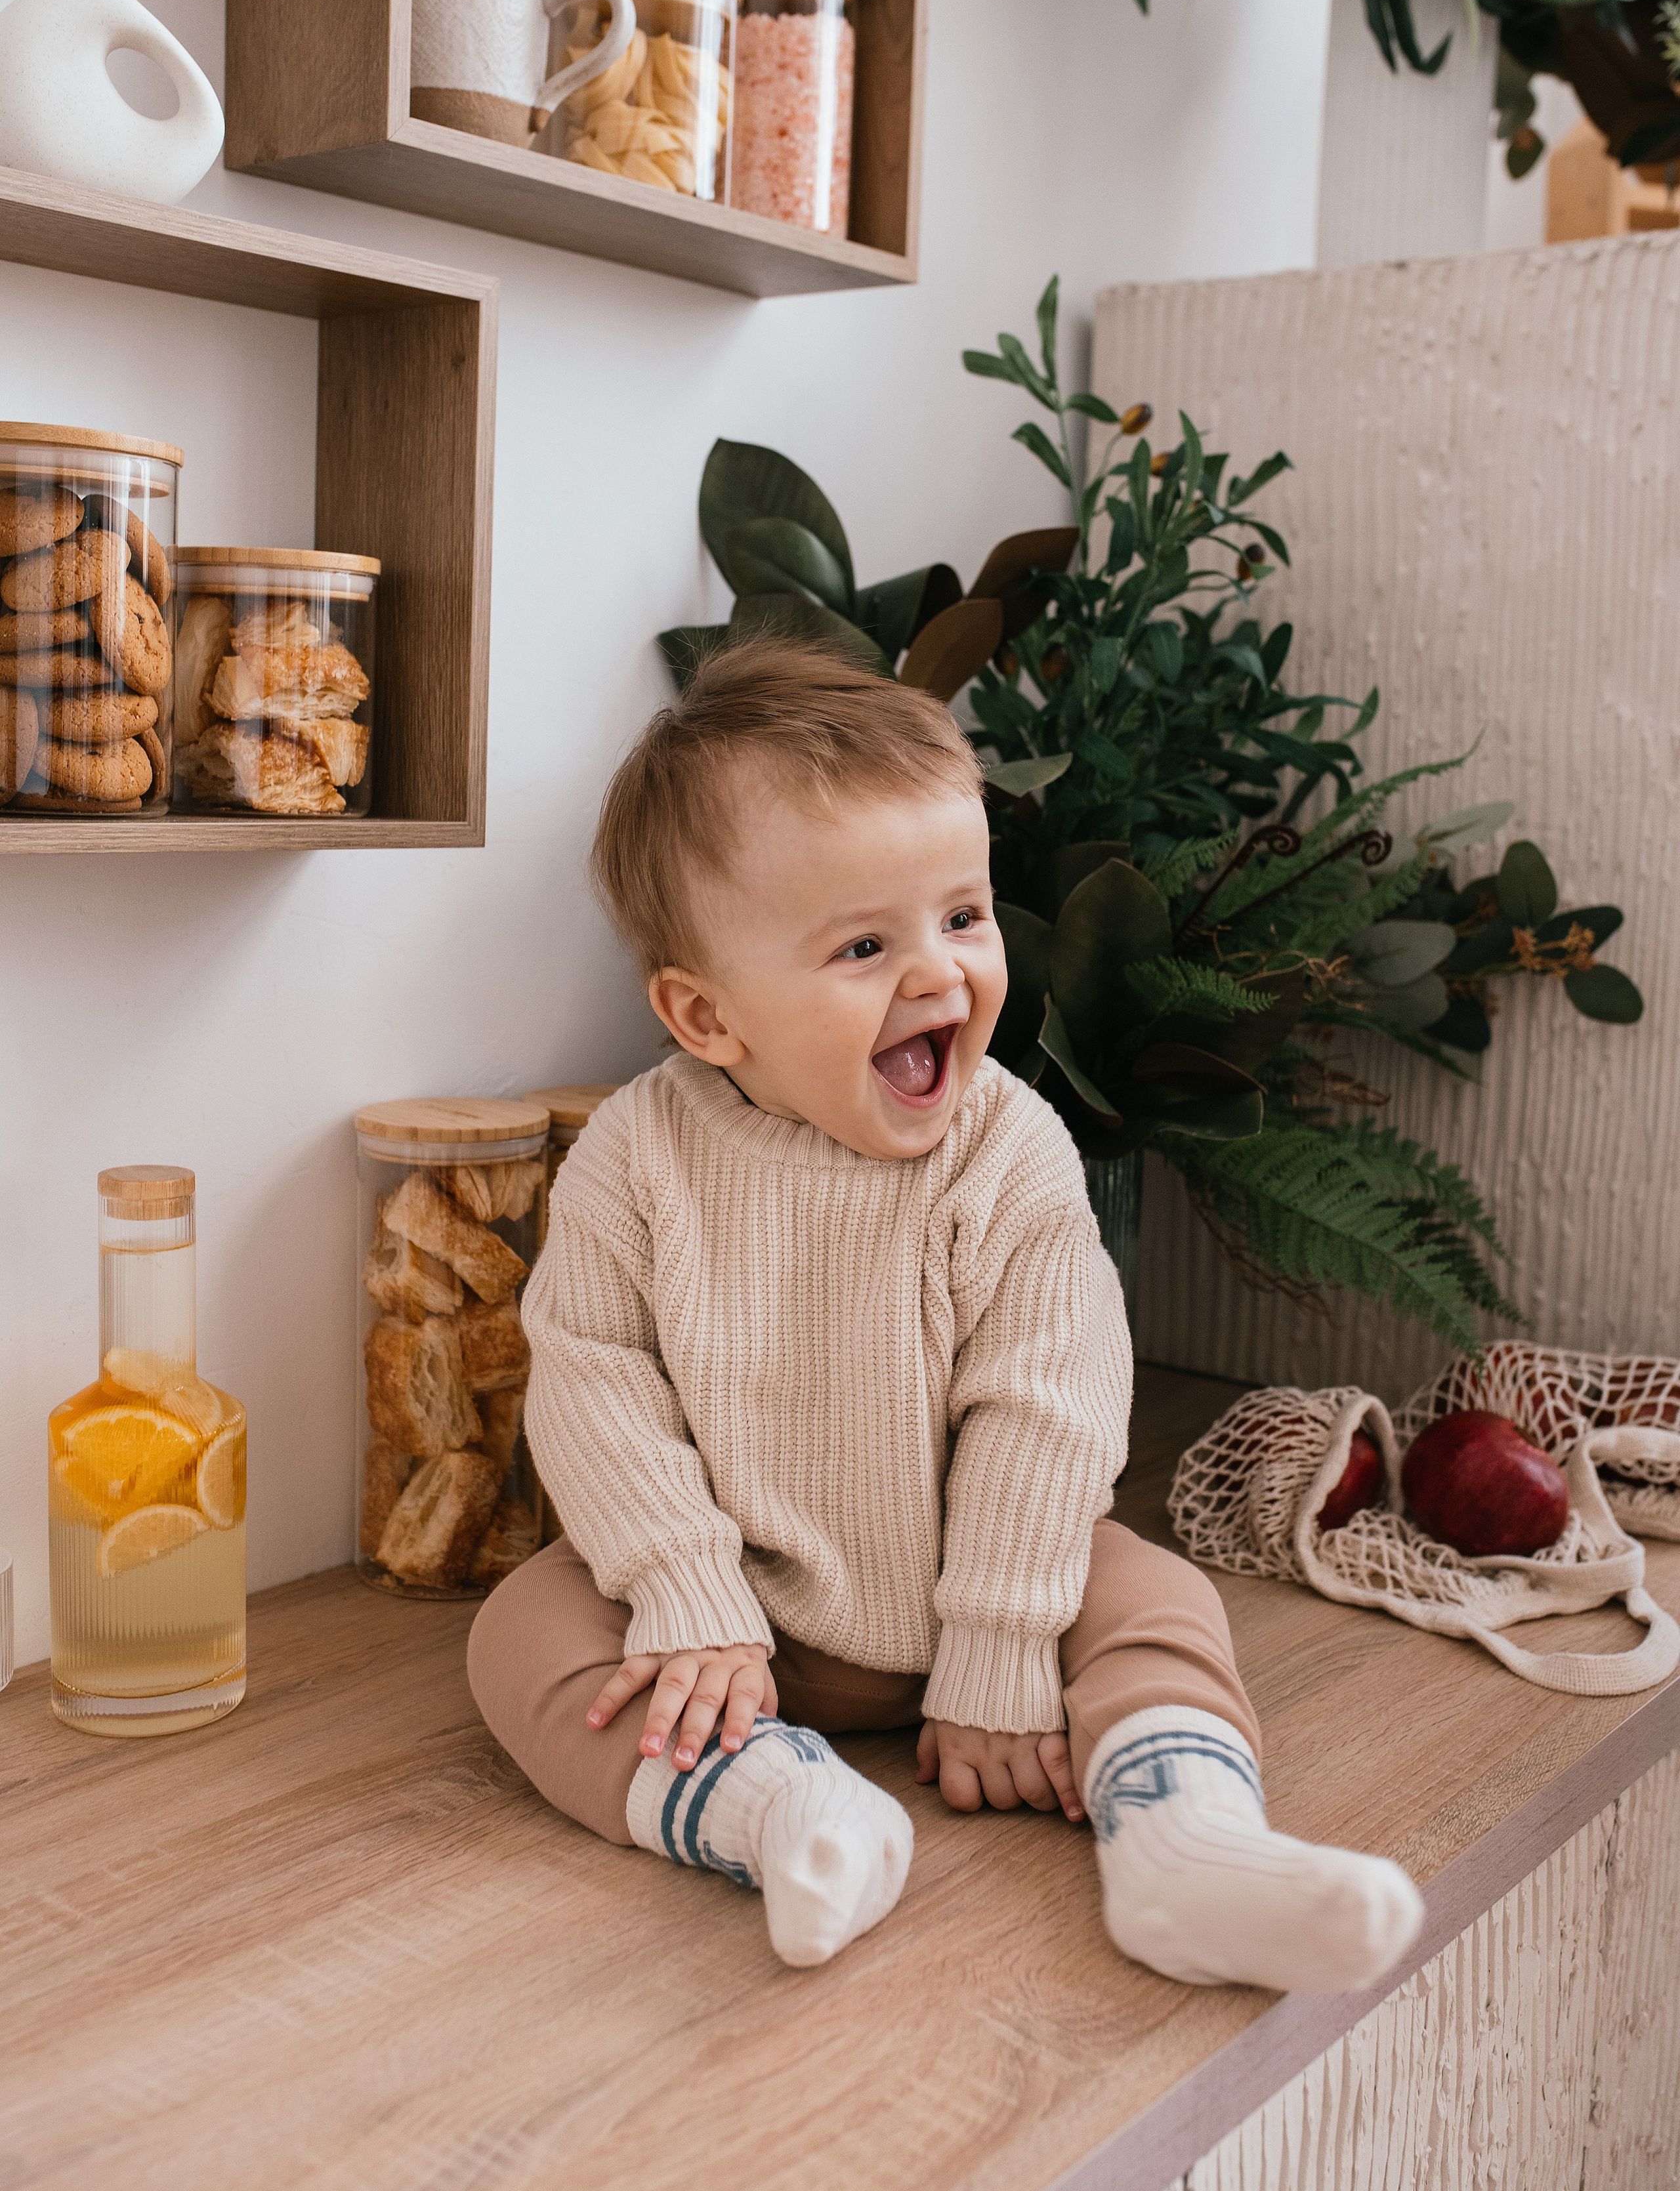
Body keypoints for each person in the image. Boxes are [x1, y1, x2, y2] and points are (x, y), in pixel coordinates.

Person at [469, 638, 1423, 1984]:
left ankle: (1184, 1845)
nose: (936, 974)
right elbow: (593, 1373)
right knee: (526, 1628)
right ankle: (775, 1809)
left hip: (998, 1589)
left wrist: (995, 1645)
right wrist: (685, 1593)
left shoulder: (1007, 1150)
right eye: (863, 945)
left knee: (1148, 1598)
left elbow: (1045, 1403)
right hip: (740, 1625)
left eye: (961, 918)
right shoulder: (638, 1156)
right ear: (705, 1015)